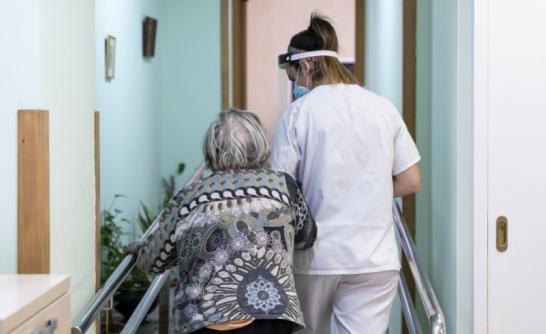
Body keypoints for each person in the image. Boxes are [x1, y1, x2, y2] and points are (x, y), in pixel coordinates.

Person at [270, 13, 421, 334]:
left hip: (316, 259)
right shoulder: (382, 107)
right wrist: (369, 188)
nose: (294, 83)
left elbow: (277, 187)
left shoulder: (298, 114)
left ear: (307, 65)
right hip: (375, 260)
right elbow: (410, 181)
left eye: (292, 74)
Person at [135, 109, 317, 334]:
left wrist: (143, 249)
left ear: (211, 151)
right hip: (271, 316)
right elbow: (306, 236)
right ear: (260, 146)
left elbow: (152, 261)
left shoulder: (188, 198)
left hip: (202, 319)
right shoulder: (283, 187)